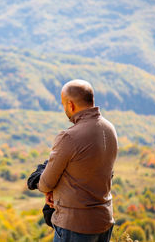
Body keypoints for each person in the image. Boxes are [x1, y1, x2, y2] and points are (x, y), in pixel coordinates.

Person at [38, 79, 118, 242]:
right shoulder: (109, 128)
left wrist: (49, 190)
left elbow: (46, 183)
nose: (64, 109)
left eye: (63, 104)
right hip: (104, 220)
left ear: (71, 105)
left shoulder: (69, 137)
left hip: (75, 225)